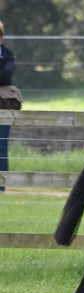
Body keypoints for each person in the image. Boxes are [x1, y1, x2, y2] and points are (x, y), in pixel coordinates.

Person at [0, 20, 15, 192]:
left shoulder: (8, 54)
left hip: (2, 105)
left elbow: (6, 76)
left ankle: (1, 186)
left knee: (1, 145)